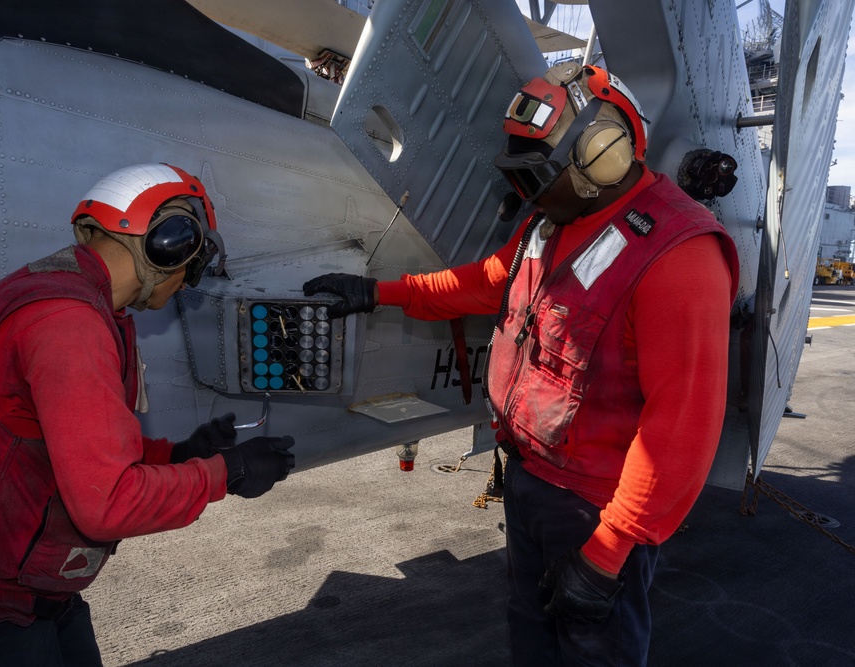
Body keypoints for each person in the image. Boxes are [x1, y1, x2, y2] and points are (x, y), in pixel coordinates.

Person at [304, 63, 739, 666]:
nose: (525, 196)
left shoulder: (678, 255)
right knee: (532, 638)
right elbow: (490, 282)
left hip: (595, 508)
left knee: (594, 651)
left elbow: (681, 430)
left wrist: (608, 551)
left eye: (537, 176)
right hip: (533, 481)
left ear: (601, 155)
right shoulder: (553, 221)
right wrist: (383, 292)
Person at [0, 163, 296, 666]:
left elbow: (62, 449)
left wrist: (180, 454)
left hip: (15, 596)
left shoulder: (80, 304)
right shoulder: (69, 323)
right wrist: (228, 473)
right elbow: (106, 504)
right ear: (169, 244)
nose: (188, 282)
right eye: (193, 265)